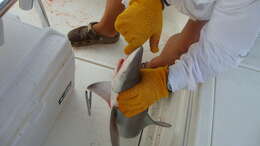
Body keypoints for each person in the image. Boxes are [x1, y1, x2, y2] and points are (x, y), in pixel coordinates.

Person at [68, 0, 260, 117]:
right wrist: (145, 2)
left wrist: (164, 81)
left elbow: (219, 53)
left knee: (180, 49)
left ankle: (157, 72)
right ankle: (107, 29)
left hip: (231, 15)